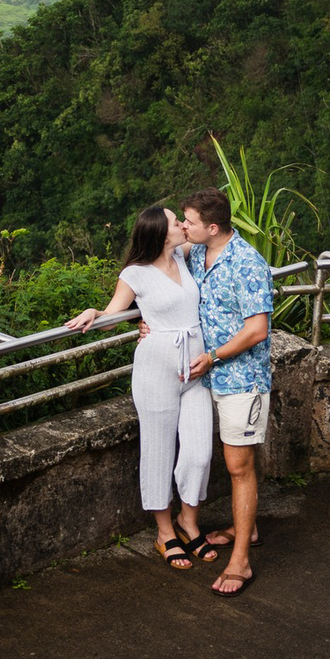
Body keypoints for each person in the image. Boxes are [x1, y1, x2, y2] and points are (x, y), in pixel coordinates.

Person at [64, 205, 216, 571]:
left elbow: (216, 240)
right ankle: (165, 533)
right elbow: (116, 312)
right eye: (175, 221)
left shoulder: (183, 255)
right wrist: (95, 314)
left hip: (194, 371)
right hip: (155, 372)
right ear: (162, 234)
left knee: (199, 452)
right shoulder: (135, 274)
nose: (182, 224)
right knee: (158, 452)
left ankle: (188, 521)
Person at [156, 188, 274, 597]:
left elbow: (257, 330)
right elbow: (162, 284)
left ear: (212, 227)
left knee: (239, 467)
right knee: (228, 462)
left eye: (187, 221)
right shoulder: (195, 255)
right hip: (208, 379)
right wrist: (147, 322)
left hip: (242, 380)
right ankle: (249, 528)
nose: (182, 227)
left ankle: (241, 560)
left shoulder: (247, 264)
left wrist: (213, 357)